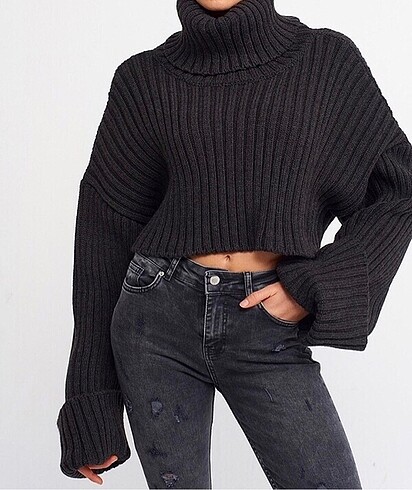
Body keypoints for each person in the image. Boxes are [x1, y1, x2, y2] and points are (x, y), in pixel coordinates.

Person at [56, 0, 412, 488]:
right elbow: (103, 234)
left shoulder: (325, 60)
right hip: (156, 321)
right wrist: (90, 401)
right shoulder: (143, 79)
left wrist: (316, 285)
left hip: (266, 321)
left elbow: (398, 189)